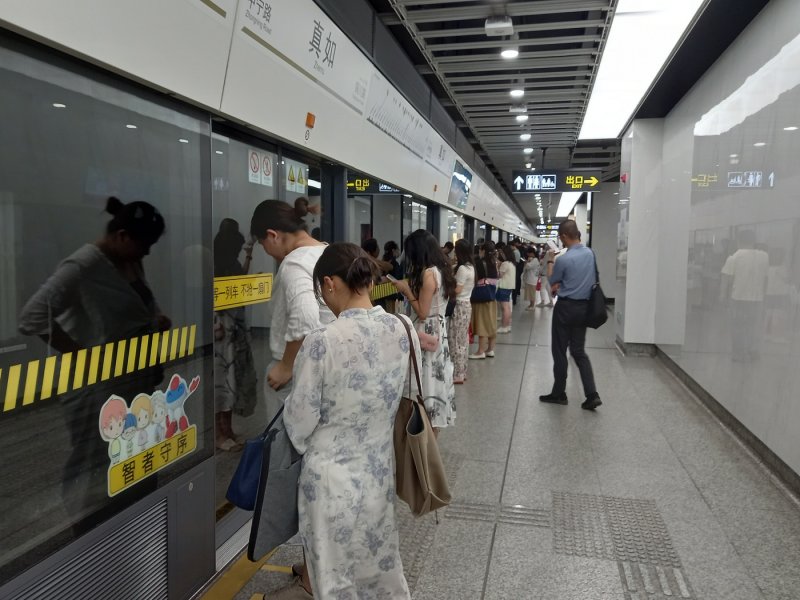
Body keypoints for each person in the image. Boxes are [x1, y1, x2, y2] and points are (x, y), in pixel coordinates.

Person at [18, 196, 169, 514]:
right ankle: (86, 523)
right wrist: (82, 355)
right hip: (96, 388)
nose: (147, 252)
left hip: (131, 381)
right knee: (93, 460)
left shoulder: (130, 261)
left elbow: (132, 307)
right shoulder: (83, 266)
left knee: (130, 451)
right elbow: (32, 316)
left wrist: (154, 320)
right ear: (122, 236)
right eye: (144, 245)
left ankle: (129, 517)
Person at [283, 243, 415, 600]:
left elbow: (298, 422)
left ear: (329, 283)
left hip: (329, 479)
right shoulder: (402, 327)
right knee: (378, 563)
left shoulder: (321, 341)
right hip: (378, 470)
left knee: (334, 574)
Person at [250, 198, 334, 599]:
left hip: (303, 383)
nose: (267, 253)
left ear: (273, 235)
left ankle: (312, 582)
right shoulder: (327, 252)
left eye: (264, 245)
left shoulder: (295, 263)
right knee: (318, 476)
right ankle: (316, 565)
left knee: (303, 478)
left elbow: (303, 321)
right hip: (332, 379)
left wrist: (285, 366)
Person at [390, 229, 456, 430]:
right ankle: (435, 422)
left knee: (425, 380)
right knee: (436, 380)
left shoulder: (428, 274)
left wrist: (406, 290)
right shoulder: (443, 270)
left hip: (426, 331)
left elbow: (422, 312)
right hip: (438, 331)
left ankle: (425, 427)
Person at [539, 220, 601, 410]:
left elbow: (553, 281)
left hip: (565, 308)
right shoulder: (590, 254)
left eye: (561, 237)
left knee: (559, 350)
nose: (561, 240)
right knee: (578, 351)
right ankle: (592, 394)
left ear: (565, 236)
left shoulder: (564, 259)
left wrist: (551, 260)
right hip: (584, 308)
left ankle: (559, 393)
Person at [213, 219, 257, 451]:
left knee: (232, 380)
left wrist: (248, 257)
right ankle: (219, 433)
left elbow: (240, 279)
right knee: (223, 380)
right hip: (223, 330)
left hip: (234, 327)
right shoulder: (216, 265)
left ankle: (227, 429)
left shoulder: (229, 262)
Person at [719, 230, 769, 362]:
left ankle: (738, 353)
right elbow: (765, 278)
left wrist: (722, 297)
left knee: (738, 326)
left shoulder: (734, 257)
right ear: (754, 240)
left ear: (738, 241)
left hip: (738, 298)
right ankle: (753, 350)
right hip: (757, 299)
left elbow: (726, 279)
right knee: (754, 326)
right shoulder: (764, 256)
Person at [448, 239, 475, 384]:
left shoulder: (462, 269)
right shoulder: (471, 267)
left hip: (459, 306)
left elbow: (457, 290)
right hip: (467, 305)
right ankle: (462, 371)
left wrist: (446, 290)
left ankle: (457, 374)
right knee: (463, 339)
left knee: (456, 340)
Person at [469, 241, 499, 359]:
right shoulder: (494, 262)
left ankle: (480, 351)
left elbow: (475, 278)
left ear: (483, 251)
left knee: (482, 324)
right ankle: (490, 349)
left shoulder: (480, 263)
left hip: (481, 297)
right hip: (491, 297)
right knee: (491, 323)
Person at [496, 247, 516, 333]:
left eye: (502, 253)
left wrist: (497, 266)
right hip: (509, 286)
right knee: (507, 307)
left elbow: (499, 275)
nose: (501, 255)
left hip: (503, 286)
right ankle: (507, 326)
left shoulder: (505, 263)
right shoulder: (511, 263)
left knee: (504, 308)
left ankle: (504, 326)